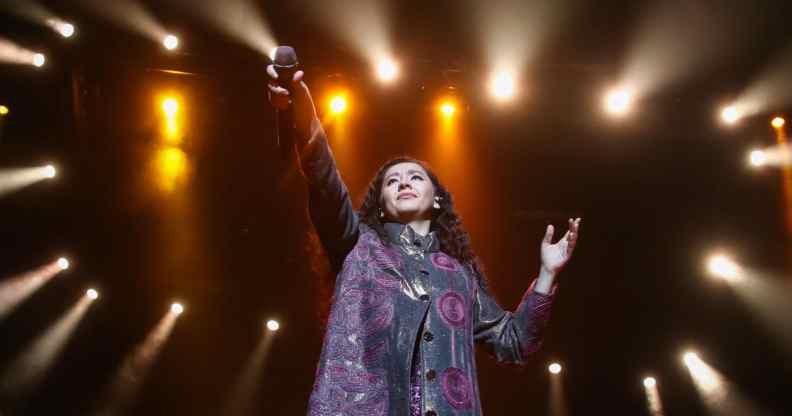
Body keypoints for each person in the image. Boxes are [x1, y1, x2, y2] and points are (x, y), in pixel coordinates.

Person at [267, 63, 581, 416]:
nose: (403, 183)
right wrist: (304, 111)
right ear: (381, 206)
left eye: (415, 177)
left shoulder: (462, 274)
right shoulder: (357, 243)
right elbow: (324, 179)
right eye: (391, 181)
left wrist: (547, 274)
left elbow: (514, 341)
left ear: (436, 199)